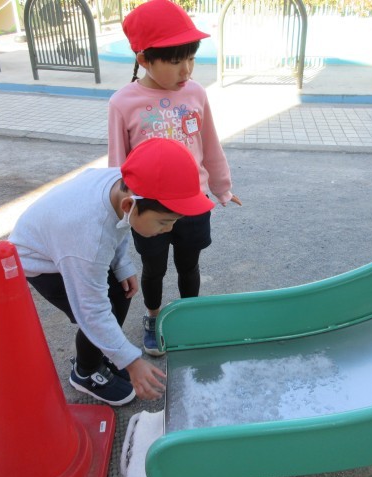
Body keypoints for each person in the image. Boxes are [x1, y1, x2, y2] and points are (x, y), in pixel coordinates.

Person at [8, 138, 215, 406]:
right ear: (130, 205)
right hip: (41, 261)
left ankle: (104, 352)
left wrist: (121, 264)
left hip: (69, 244)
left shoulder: (122, 185)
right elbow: (91, 310)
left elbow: (118, 225)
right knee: (100, 311)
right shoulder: (87, 240)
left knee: (120, 293)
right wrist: (131, 362)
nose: (169, 229)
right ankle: (85, 372)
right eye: (164, 222)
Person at [108, 0, 242, 357]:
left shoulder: (196, 93)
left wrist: (222, 187)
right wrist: (121, 211)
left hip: (193, 203)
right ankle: (153, 318)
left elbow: (209, 144)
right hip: (148, 209)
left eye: (191, 58)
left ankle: (189, 315)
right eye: (174, 60)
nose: (186, 69)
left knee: (189, 264)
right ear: (144, 59)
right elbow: (116, 165)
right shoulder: (123, 102)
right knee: (153, 268)